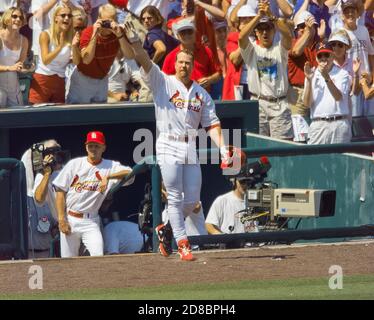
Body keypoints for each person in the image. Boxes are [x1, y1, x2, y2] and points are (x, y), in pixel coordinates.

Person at [124, 22, 230, 261]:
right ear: (175, 64)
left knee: (192, 201)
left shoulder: (201, 93)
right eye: (181, 62)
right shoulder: (163, 82)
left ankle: (166, 228)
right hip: (168, 143)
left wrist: (223, 148)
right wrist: (134, 43)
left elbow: (212, 123)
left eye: (188, 63)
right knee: (174, 196)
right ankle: (182, 243)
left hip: (190, 145)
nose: (184, 65)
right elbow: (144, 60)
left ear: (193, 66)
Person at [53, 131, 135, 258]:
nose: (93, 149)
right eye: (90, 145)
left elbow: (130, 172)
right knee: (68, 261)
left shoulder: (110, 166)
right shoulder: (75, 164)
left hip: (91, 220)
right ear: (86, 147)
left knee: (98, 257)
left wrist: (108, 176)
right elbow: (60, 191)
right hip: (71, 218)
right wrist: (61, 219)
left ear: (103, 148)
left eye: (97, 146)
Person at [239, 1, 294, 139]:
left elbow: (288, 37)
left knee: (282, 152)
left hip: (280, 105)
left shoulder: (279, 49)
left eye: (268, 28)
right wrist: (259, 16)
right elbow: (241, 37)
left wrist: (273, 17)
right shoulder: (252, 50)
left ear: (273, 30)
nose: (264, 32)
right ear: (256, 32)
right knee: (259, 149)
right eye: (261, 29)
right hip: (258, 105)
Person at [66, 3, 134, 104]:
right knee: (78, 115)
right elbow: (86, 60)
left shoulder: (119, 32)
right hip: (83, 80)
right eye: (105, 21)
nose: (107, 26)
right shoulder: (88, 32)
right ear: (99, 19)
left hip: (102, 80)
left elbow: (130, 55)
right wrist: (95, 34)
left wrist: (120, 35)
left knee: (99, 116)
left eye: (111, 21)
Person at [20, 139, 65, 258]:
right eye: (50, 153)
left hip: (49, 252)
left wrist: (56, 227)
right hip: (26, 254)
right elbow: (29, 158)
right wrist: (40, 151)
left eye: (56, 153)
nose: (52, 157)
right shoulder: (22, 195)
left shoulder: (55, 181)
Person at [28, 6, 81, 104]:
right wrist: (59, 47)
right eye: (63, 15)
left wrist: (74, 46)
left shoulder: (72, 36)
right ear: (55, 18)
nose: (66, 18)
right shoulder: (45, 34)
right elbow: (45, 60)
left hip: (60, 81)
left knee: (57, 117)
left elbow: (77, 62)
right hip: (43, 80)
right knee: (37, 116)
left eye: (69, 16)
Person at [304, 42, 352, 144]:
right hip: (318, 124)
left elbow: (338, 97)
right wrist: (308, 80)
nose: (323, 58)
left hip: (338, 123)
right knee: (317, 158)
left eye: (326, 55)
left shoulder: (342, 73)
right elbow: (307, 104)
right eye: (320, 55)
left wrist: (326, 77)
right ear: (316, 58)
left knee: (340, 159)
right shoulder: (311, 73)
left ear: (333, 55)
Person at [162, 18, 222, 93]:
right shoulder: (170, 57)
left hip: (203, 97)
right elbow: (164, 81)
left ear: (195, 33)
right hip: (180, 99)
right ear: (177, 35)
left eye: (189, 31)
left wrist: (209, 80)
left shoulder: (206, 51)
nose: (186, 35)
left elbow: (219, 73)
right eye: (183, 32)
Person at [287, 11, 319, 142]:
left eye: (309, 27)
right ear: (296, 30)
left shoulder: (319, 45)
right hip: (297, 94)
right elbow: (296, 51)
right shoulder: (292, 42)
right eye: (302, 27)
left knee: (314, 134)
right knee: (299, 136)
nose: (305, 30)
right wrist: (308, 32)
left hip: (317, 92)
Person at [341, 0, 374, 116]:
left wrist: (372, 74)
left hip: (367, 80)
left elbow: (370, 53)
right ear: (342, 15)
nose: (350, 14)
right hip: (352, 83)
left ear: (357, 13)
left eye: (352, 11)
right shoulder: (340, 33)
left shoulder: (364, 30)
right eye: (346, 12)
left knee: (371, 117)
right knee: (355, 119)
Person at [0, 6, 31, 108]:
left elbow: (20, 65)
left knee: (18, 120)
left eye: (21, 18)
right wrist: (9, 68)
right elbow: (12, 67)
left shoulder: (24, 40)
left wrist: (27, 67)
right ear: (7, 18)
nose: (18, 20)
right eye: (14, 16)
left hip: (14, 88)